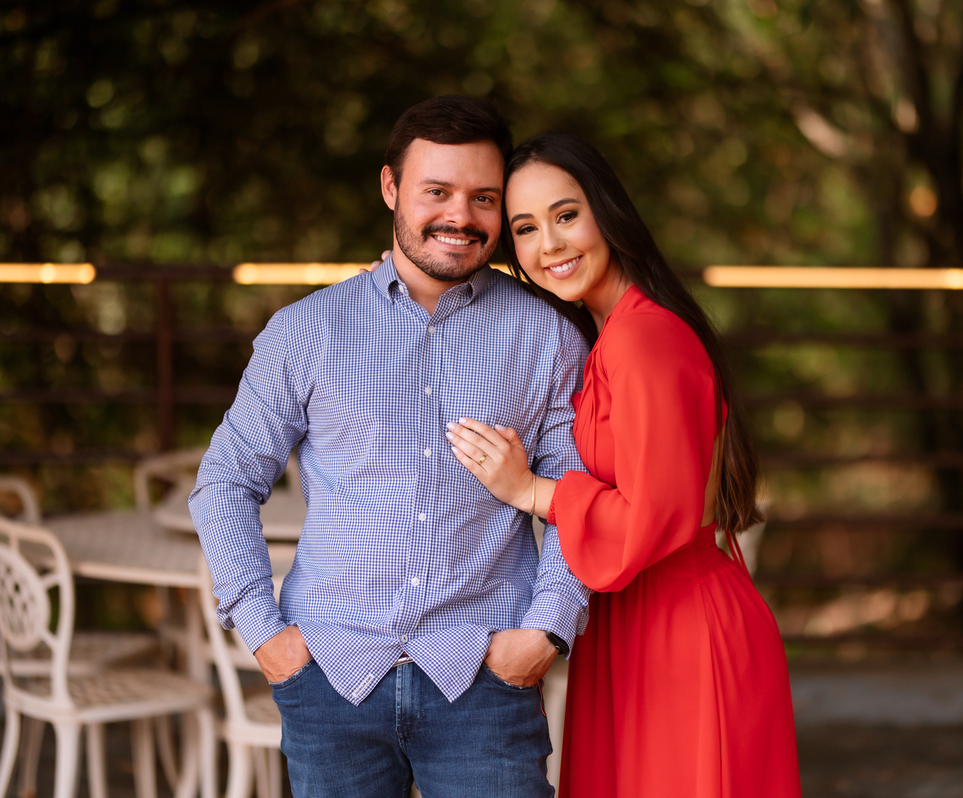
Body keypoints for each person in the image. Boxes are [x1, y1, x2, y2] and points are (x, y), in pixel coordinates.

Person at [189, 97, 591, 798]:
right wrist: (267, 637)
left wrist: (546, 631)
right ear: (390, 189)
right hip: (331, 680)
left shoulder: (547, 336)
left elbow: (579, 493)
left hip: (485, 681)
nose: (460, 216)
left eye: (483, 198)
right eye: (437, 191)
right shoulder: (306, 331)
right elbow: (225, 481)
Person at [444, 132, 802, 797]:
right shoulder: (609, 334)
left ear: (606, 211)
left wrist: (529, 490)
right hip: (639, 622)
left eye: (565, 214)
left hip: (681, 631)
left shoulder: (641, 340)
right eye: (525, 228)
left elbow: (646, 519)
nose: (550, 243)